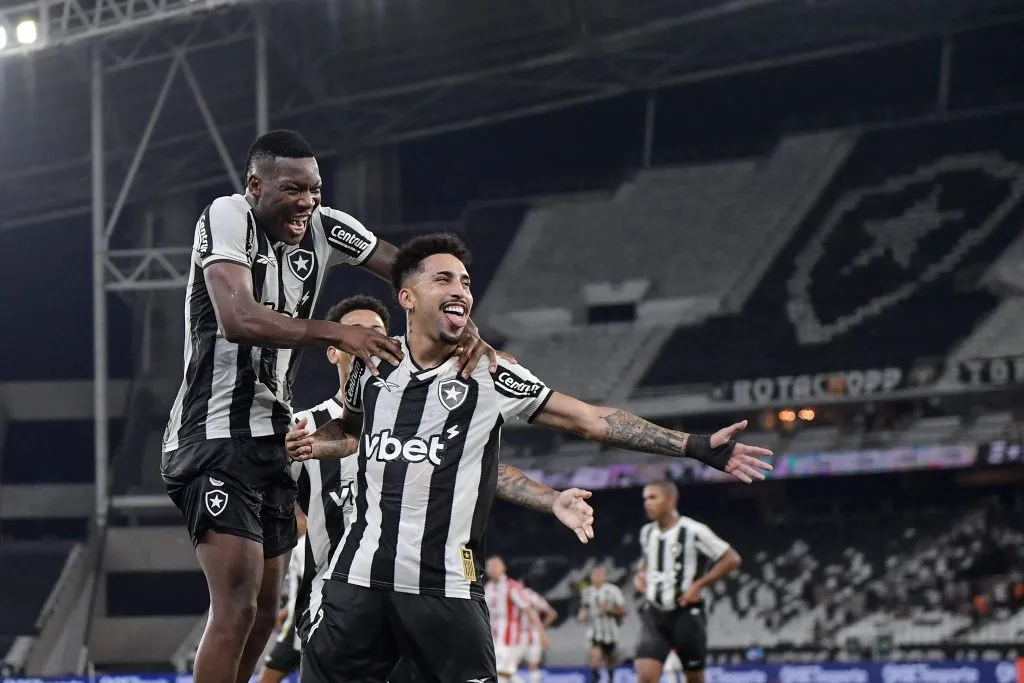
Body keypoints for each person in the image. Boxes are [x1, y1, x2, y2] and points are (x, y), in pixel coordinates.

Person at [287, 233, 772, 683]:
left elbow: (590, 420)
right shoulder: (372, 368)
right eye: (444, 279)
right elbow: (350, 428)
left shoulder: (491, 374)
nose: (460, 289)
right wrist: (312, 442)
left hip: (446, 588)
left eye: (466, 282)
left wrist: (693, 445)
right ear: (407, 298)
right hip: (357, 582)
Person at [160, 131, 500, 683]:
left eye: (315, 189)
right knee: (237, 608)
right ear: (254, 187)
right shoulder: (227, 215)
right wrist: (336, 334)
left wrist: (456, 317)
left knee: (268, 615)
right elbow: (237, 318)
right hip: (212, 435)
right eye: (292, 189)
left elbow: (405, 270)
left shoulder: (325, 226)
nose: (307, 201)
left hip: (270, 437)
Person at [633, 481, 742, 683]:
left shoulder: (693, 531)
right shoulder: (647, 532)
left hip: (686, 614)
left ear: (671, 499)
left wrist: (698, 585)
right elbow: (647, 560)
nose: (647, 503)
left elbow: (732, 558)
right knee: (646, 676)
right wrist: (640, 575)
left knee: (694, 677)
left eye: (653, 497)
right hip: (654, 615)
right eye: (645, 499)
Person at [258, 507, 308, 683]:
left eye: (297, 519)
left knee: (267, 679)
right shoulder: (302, 545)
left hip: (299, 628)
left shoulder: (304, 546)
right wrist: (284, 612)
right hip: (306, 624)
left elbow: (308, 587)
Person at [484, 555, 548, 683]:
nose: (492, 568)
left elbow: (529, 610)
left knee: (499, 673)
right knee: (503, 674)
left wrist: (542, 634)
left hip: (510, 639)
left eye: (495, 565)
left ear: (504, 568)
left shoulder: (512, 586)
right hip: (492, 639)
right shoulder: (487, 588)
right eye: (489, 566)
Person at [578, 567, 625, 683]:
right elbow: (584, 608)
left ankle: (610, 678)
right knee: (595, 656)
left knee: (609, 660)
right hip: (594, 632)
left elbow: (622, 610)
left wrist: (607, 609)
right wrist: (582, 616)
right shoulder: (587, 592)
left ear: (604, 577)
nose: (597, 578)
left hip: (610, 632)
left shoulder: (613, 590)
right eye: (594, 575)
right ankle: (595, 676)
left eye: (599, 575)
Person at [521, 580, 558, 683]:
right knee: (534, 666)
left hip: (517, 634)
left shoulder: (517, 593)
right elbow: (552, 614)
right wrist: (541, 628)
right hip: (533, 634)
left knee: (509, 666)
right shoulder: (534, 596)